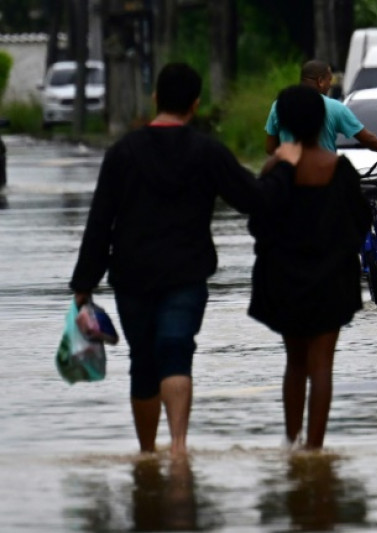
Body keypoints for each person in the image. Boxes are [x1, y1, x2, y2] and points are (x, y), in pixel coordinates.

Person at [69, 63, 300, 458]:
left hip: (132, 275)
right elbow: (254, 199)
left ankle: (147, 455)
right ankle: (178, 448)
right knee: (176, 350)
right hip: (186, 274)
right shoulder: (207, 151)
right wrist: (285, 167)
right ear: (195, 104)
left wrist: (83, 283)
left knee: (143, 361)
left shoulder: (123, 152)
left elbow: (100, 221)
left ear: (155, 98)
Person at [248, 85, 371, 450]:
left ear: (283, 123)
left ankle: (291, 442)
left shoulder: (275, 168)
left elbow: (258, 223)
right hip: (332, 279)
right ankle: (315, 449)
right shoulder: (340, 169)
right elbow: (360, 222)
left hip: (285, 278)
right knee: (321, 365)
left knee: (295, 362)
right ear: (322, 122)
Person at [264, 59, 377, 163]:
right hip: (323, 177)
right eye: (329, 80)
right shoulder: (335, 107)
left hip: (290, 180)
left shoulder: (278, 105)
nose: (330, 85)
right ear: (320, 81)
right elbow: (366, 138)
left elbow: (270, 148)